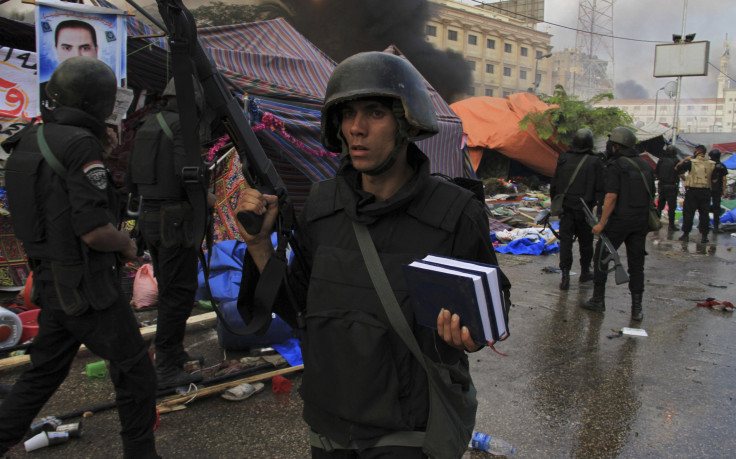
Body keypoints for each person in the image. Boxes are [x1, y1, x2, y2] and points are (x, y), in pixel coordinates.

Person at [235, 51, 511, 457]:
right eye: (347, 115)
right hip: (329, 429)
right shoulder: (322, 205)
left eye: (375, 113)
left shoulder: (453, 213)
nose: (356, 128)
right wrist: (258, 245)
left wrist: (471, 335)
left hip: (407, 434)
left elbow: (492, 306)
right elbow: (298, 310)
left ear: (406, 124)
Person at [0, 57, 158, 458]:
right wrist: (126, 245)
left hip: (50, 283)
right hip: (87, 288)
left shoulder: (29, 138)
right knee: (135, 371)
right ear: (98, 103)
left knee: (43, 375)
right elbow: (93, 230)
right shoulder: (79, 144)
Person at [127, 78, 213, 389]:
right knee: (179, 294)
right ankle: (166, 364)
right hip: (174, 221)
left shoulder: (147, 124)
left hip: (151, 218)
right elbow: (187, 175)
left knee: (170, 290)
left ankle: (173, 353)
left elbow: (130, 179)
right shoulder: (181, 127)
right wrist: (207, 194)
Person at [582, 126, 654, 322]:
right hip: (640, 222)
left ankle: (598, 300)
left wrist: (601, 223)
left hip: (619, 221)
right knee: (637, 264)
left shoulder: (617, 166)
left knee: (601, 258)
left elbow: (611, 197)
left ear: (616, 146)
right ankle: (637, 309)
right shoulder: (645, 165)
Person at [550, 128, 604, 290]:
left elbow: (554, 185)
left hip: (566, 209)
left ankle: (565, 276)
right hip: (585, 210)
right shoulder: (595, 161)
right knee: (586, 244)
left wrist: (556, 205)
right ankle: (585, 271)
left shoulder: (564, 158)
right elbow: (600, 188)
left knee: (565, 242)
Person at [675, 145, 715, 243]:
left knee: (689, 213)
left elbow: (677, 168)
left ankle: (686, 234)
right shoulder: (712, 164)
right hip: (706, 192)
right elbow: (714, 179)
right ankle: (704, 236)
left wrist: (685, 159)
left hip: (693, 191)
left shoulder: (690, 162)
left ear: (698, 151)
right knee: (704, 214)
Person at [655, 145, 681, 231]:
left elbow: (656, 173)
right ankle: (671, 225)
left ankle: (656, 223)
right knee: (672, 207)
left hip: (662, 185)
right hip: (672, 186)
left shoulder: (661, 160)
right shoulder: (676, 161)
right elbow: (681, 173)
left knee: (660, 205)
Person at [708, 148, 728, 233]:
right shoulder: (722, 166)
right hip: (717, 190)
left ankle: (703, 224)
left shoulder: (707, 165)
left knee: (704, 206)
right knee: (716, 208)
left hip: (707, 188)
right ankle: (716, 227)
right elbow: (724, 179)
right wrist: (724, 189)